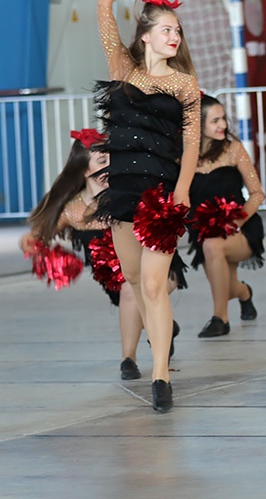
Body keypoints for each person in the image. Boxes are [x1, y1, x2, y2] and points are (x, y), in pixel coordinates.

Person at [94, 0, 201, 412]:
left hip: (161, 195)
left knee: (156, 286)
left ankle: (160, 376)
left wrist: (180, 192)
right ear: (146, 37)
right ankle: (158, 345)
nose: (174, 36)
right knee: (135, 282)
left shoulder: (184, 84)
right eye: (166, 30)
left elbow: (192, 144)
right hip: (121, 193)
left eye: (177, 30)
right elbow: (103, 6)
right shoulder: (121, 67)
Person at [18, 130, 186, 380]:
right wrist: (30, 243)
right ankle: (164, 327)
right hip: (114, 282)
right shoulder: (73, 210)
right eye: (102, 161)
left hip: (156, 269)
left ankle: (127, 359)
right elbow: (37, 235)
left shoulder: (128, 198)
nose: (111, 166)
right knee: (131, 296)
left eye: (112, 160)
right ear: (85, 170)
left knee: (132, 290)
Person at [188, 95, 264, 337]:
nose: (222, 125)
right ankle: (244, 293)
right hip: (204, 231)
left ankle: (220, 319)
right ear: (198, 126)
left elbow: (256, 194)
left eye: (223, 119)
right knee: (227, 287)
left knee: (213, 248)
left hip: (241, 229)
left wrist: (237, 221)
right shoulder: (185, 157)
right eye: (215, 121)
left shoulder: (234, 150)